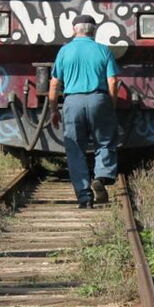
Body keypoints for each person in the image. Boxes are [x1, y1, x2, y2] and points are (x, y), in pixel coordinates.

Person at [48, 15, 119, 208]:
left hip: (72, 102)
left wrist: (53, 110)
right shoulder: (103, 50)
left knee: (75, 149)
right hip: (99, 99)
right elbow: (113, 81)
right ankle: (102, 176)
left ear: (74, 30)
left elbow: (54, 83)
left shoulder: (64, 51)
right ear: (93, 31)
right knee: (104, 141)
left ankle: (84, 196)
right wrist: (111, 104)